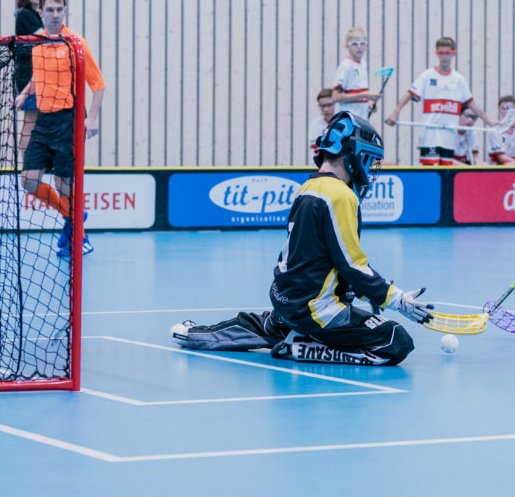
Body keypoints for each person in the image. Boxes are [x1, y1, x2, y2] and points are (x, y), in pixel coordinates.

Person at [171, 112, 433, 365]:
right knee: (395, 341)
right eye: (369, 160)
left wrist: (370, 293)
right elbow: (351, 265)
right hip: (318, 312)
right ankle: (299, 347)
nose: (369, 170)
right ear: (354, 154)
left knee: (263, 324)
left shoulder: (310, 186)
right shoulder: (340, 195)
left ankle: (192, 333)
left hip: (288, 302)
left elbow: (320, 258)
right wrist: (396, 299)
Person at [13, 0, 107, 257]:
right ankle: (75, 216)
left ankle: (79, 233)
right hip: (43, 122)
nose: (55, 15)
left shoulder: (75, 43)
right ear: (40, 13)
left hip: (68, 122)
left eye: (59, 10)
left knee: (64, 186)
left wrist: (93, 118)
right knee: (29, 181)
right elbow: (39, 76)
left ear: (65, 12)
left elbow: (98, 84)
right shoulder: (36, 40)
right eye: (50, 10)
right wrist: (25, 92)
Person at [384, 37, 495, 165]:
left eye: (447, 53)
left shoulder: (459, 80)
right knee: (430, 171)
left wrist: (490, 122)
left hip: (449, 136)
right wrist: (395, 112)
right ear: (437, 53)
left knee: (446, 171)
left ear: (453, 54)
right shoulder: (427, 75)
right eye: (441, 53)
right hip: (430, 136)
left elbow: (471, 103)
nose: (444, 57)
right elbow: (410, 94)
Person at [13, 0, 45, 154]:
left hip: (38, 74)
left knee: (35, 120)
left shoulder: (36, 15)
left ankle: (34, 161)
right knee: (30, 120)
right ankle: (27, 163)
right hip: (29, 75)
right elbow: (46, 37)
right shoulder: (26, 14)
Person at [331, 27, 381, 121]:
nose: (359, 47)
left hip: (361, 120)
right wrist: (365, 95)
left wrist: (368, 104)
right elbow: (336, 97)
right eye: (354, 44)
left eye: (362, 43)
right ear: (347, 46)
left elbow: (356, 95)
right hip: (348, 121)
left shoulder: (363, 64)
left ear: (367, 46)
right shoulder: (346, 66)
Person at [308, 88, 337, 159]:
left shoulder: (345, 122)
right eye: (322, 106)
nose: (326, 109)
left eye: (329, 105)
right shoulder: (315, 125)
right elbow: (315, 152)